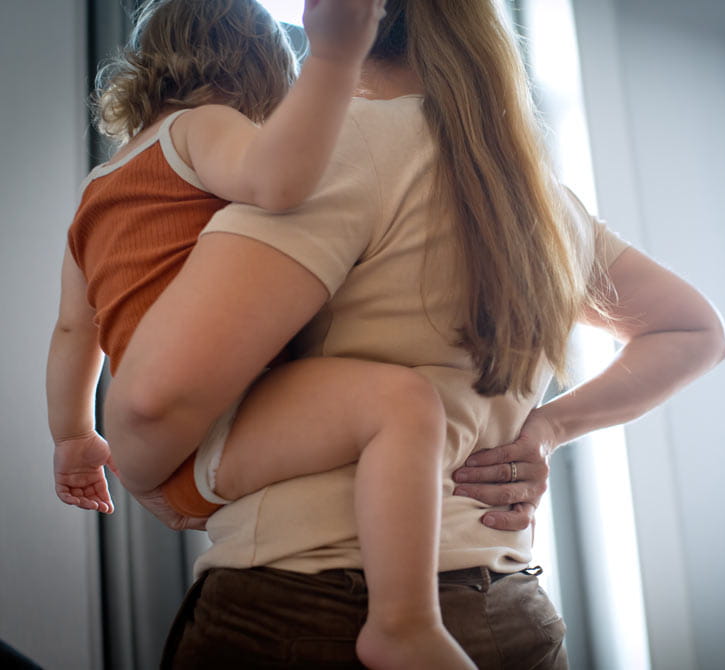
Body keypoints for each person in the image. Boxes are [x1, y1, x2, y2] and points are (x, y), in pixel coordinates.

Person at [103, 0, 725, 667]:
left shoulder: (342, 149)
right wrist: (545, 430)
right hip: (512, 617)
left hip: (311, 613)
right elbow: (695, 331)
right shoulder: (544, 201)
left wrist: (151, 482)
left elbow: (151, 401)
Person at [46, 1, 476, 668]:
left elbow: (77, 328)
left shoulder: (95, 190)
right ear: (261, 69)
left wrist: (74, 437)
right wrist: (334, 59)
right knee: (403, 405)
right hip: (218, 426)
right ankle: (403, 621)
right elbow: (277, 180)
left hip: (177, 461)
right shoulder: (200, 126)